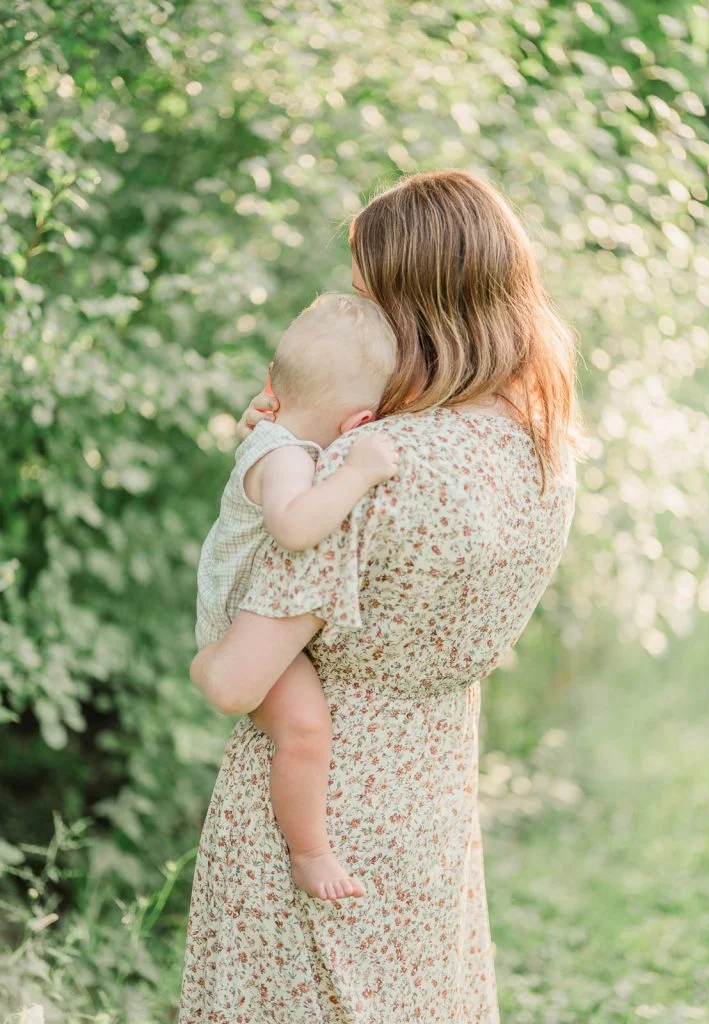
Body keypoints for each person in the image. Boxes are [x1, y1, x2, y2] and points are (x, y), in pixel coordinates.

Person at [180, 168, 580, 1024]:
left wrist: (279, 461)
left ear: (416, 310)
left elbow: (234, 681)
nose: (353, 318)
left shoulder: (371, 471)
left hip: (308, 815)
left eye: (367, 300)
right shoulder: (545, 448)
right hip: (430, 799)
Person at [195, 292, 399, 902]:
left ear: (272, 384)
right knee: (307, 730)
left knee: (308, 725)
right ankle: (310, 853)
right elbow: (292, 526)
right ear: (358, 425)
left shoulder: (277, 432)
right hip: (239, 627)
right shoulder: (284, 455)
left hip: (247, 612)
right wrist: (357, 472)